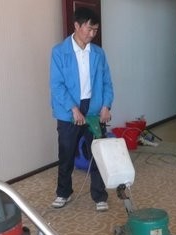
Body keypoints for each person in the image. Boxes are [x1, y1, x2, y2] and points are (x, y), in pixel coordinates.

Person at [49, 7, 114, 211]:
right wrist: (73, 109)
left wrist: (106, 106)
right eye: (89, 29)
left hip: (94, 108)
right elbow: (57, 85)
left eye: (95, 30)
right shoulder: (59, 52)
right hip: (68, 111)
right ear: (76, 26)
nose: (92, 34)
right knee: (66, 153)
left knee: (97, 153)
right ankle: (63, 192)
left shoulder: (98, 53)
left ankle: (100, 195)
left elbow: (107, 82)